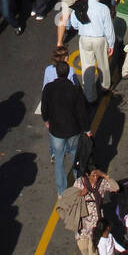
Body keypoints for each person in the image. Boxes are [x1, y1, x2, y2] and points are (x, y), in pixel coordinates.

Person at [41, 60, 89, 196]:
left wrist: (46, 120)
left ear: (56, 72)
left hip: (56, 130)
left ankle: (61, 191)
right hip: (73, 129)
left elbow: (45, 107)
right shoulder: (74, 90)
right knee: (76, 158)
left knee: (59, 160)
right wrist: (87, 129)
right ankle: (79, 186)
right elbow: (81, 112)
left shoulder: (48, 88)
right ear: (68, 73)